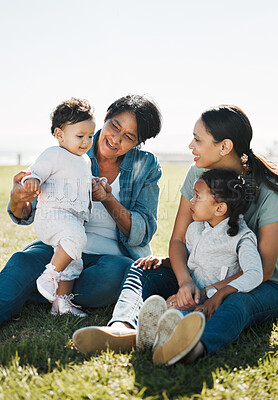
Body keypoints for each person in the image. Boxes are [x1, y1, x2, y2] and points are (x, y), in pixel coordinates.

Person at [72, 105, 278, 365]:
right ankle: (124, 328)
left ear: (224, 146)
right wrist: (184, 282)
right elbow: (179, 239)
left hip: (254, 283)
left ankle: (193, 347)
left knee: (237, 305)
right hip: (202, 273)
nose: (190, 145)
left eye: (198, 139)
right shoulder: (198, 174)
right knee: (142, 269)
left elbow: (265, 270)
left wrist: (207, 293)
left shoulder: (269, 191)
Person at [2, 94, 162, 325]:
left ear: (138, 143)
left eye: (128, 137)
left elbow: (143, 231)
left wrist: (108, 199)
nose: (115, 140)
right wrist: (18, 198)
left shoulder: (146, 165)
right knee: (23, 261)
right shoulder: (71, 146)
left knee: (119, 273)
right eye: (114, 127)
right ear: (106, 117)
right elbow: (26, 214)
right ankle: (53, 290)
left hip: (108, 259)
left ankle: (45, 289)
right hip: (59, 248)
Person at [21, 98, 97, 317]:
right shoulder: (53, 154)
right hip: (53, 216)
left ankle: (61, 304)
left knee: (73, 261)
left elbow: (81, 180)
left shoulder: (84, 160)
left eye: (90, 136)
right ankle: (49, 276)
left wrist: (95, 183)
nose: (86, 142)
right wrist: (31, 180)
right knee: (77, 239)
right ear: (60, 134)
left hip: (71, 220)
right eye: (80, 136)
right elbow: (34, 172)